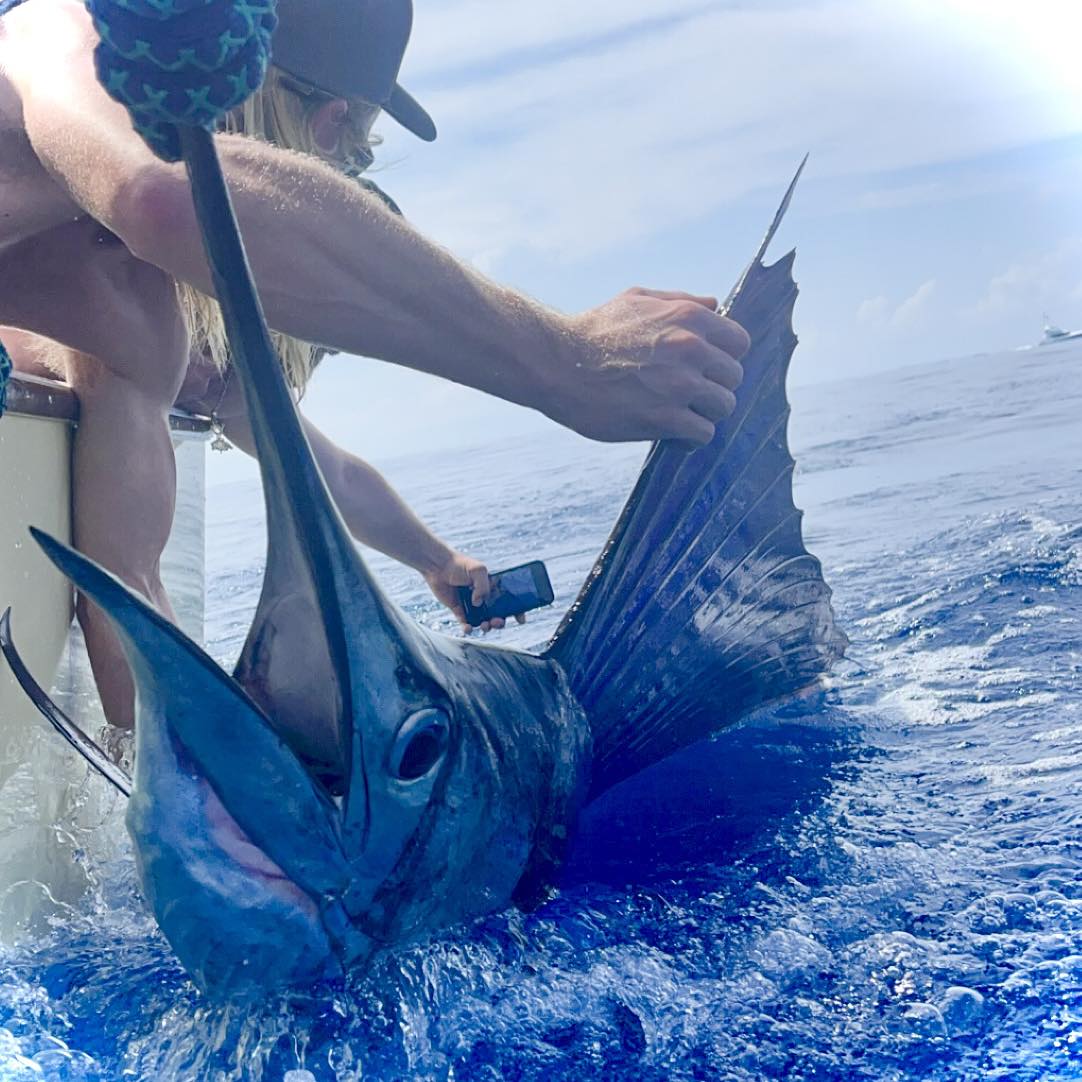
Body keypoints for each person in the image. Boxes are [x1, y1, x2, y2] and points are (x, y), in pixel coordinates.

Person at [0, 0, 750, 732]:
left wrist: (435, 560)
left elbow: (138, 584)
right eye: (356, 146)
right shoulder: (60, 34)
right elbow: (164, 197)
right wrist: (566, 359)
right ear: (326, 123)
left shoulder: (124, 307)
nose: (344, 166)